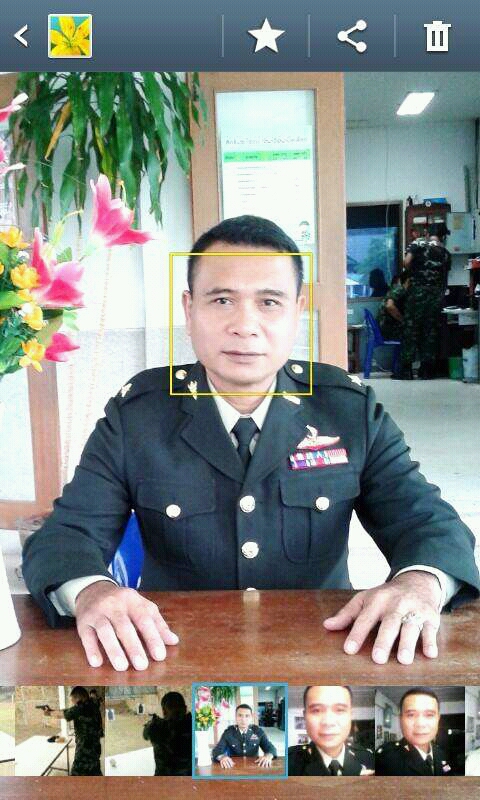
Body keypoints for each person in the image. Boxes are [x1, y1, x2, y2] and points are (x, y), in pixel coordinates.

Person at [22, 214, 479, 672]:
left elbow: (430, 524)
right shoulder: (138, 415)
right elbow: (65, 535)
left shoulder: (347, 410)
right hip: (169, 653)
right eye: (222, 300)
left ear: (297, 310)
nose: (245, 325)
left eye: (269, 302)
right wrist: (92, 591)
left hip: (321, 652)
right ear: (189, 309)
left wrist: (419, 583)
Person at [399, 222, 451, 379]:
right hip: (435, 296)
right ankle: (426, 370)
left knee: (411, 330)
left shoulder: (418, 244)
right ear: (443, 237)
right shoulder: (445, 253)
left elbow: (406, 262)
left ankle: (406, 370)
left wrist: (414, 272)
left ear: (427, 233)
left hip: (417, 294)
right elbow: (445, 278)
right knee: (430, 332)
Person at [288, 685, 374, 775]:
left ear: (350, 716)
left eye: (340, 710)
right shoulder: (289, 762)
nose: (328, 722)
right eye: (316, 710)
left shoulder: (368, 758)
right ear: (305, 717)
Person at [375, 687, 455, 776]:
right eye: (411, 715)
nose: (420, 724)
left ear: (438, 718)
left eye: (429, 715)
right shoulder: (385, 759)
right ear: (400, 719)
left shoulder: (441, 753)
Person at [42, 686, 102, 776]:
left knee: (76, 773)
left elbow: (66, 714)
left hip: (85, 749)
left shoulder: (80, 708)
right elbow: (70, 711)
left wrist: (49, 713)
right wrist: (52, 710)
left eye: (73, 701)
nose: (73, 703)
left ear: (79, 698)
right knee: (94, 769)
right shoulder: (93, 703)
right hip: (96, 746)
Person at [211, 704, 276, 768]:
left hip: (254, 766)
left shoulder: (257, 731)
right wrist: (222, 757)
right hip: (233, 766)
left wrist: (268, 756)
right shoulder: (229, 732)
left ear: (251, 717)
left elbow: (271, 748)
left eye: (247, 716)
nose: (243, 719)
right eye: (240, 715)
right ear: (236, 717)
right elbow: (216, 750)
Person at [142, 691, 192, 776]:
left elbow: (145, 735)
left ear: (164, 711)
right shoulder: (192, 724)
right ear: (185, 708)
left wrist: (152, 722)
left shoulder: (157, 727)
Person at [376, 270, 410, 343]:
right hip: (389, 331)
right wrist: (404, 321)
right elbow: (389, 306)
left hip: (384, 330)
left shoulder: (395, 290)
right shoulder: (399, 290)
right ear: (408, 281)